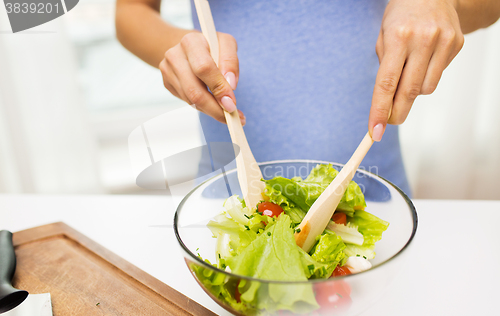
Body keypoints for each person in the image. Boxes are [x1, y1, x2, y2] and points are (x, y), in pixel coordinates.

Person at [115, 0, 500, 195]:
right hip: (228, 195)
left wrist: (442, 2)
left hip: (376, 195)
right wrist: (179, 49)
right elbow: (131, 10)